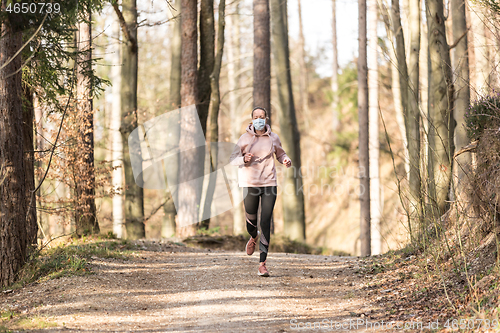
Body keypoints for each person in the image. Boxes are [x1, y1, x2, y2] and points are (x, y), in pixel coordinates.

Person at [229, 106, 292, 277]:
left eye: (262, 116)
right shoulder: (244, 138)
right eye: (256, 116)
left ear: (266, 119)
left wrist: (285, 159)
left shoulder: (273, 138)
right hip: (249, 184)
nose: (259, 119)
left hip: (269, 183)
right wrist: (243, 159)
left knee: (265, 221)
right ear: (252, 120)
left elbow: (280, 153)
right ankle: (253, 237)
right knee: (251, 223)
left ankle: (262, 264)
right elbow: (232, 159)